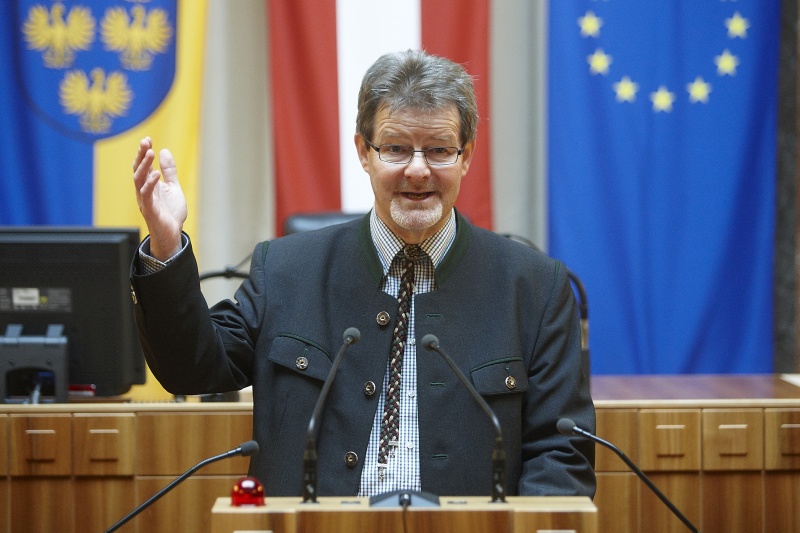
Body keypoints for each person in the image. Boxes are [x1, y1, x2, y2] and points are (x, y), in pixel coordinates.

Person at [130, 49, 595, 498]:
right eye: (396, 148)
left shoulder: (534, 287)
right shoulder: (288, 270)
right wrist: (167, 246)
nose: (417, 170)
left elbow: (561, 453)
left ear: (466, 156)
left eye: (438, 150)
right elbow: (189, 368)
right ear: (363, 152)